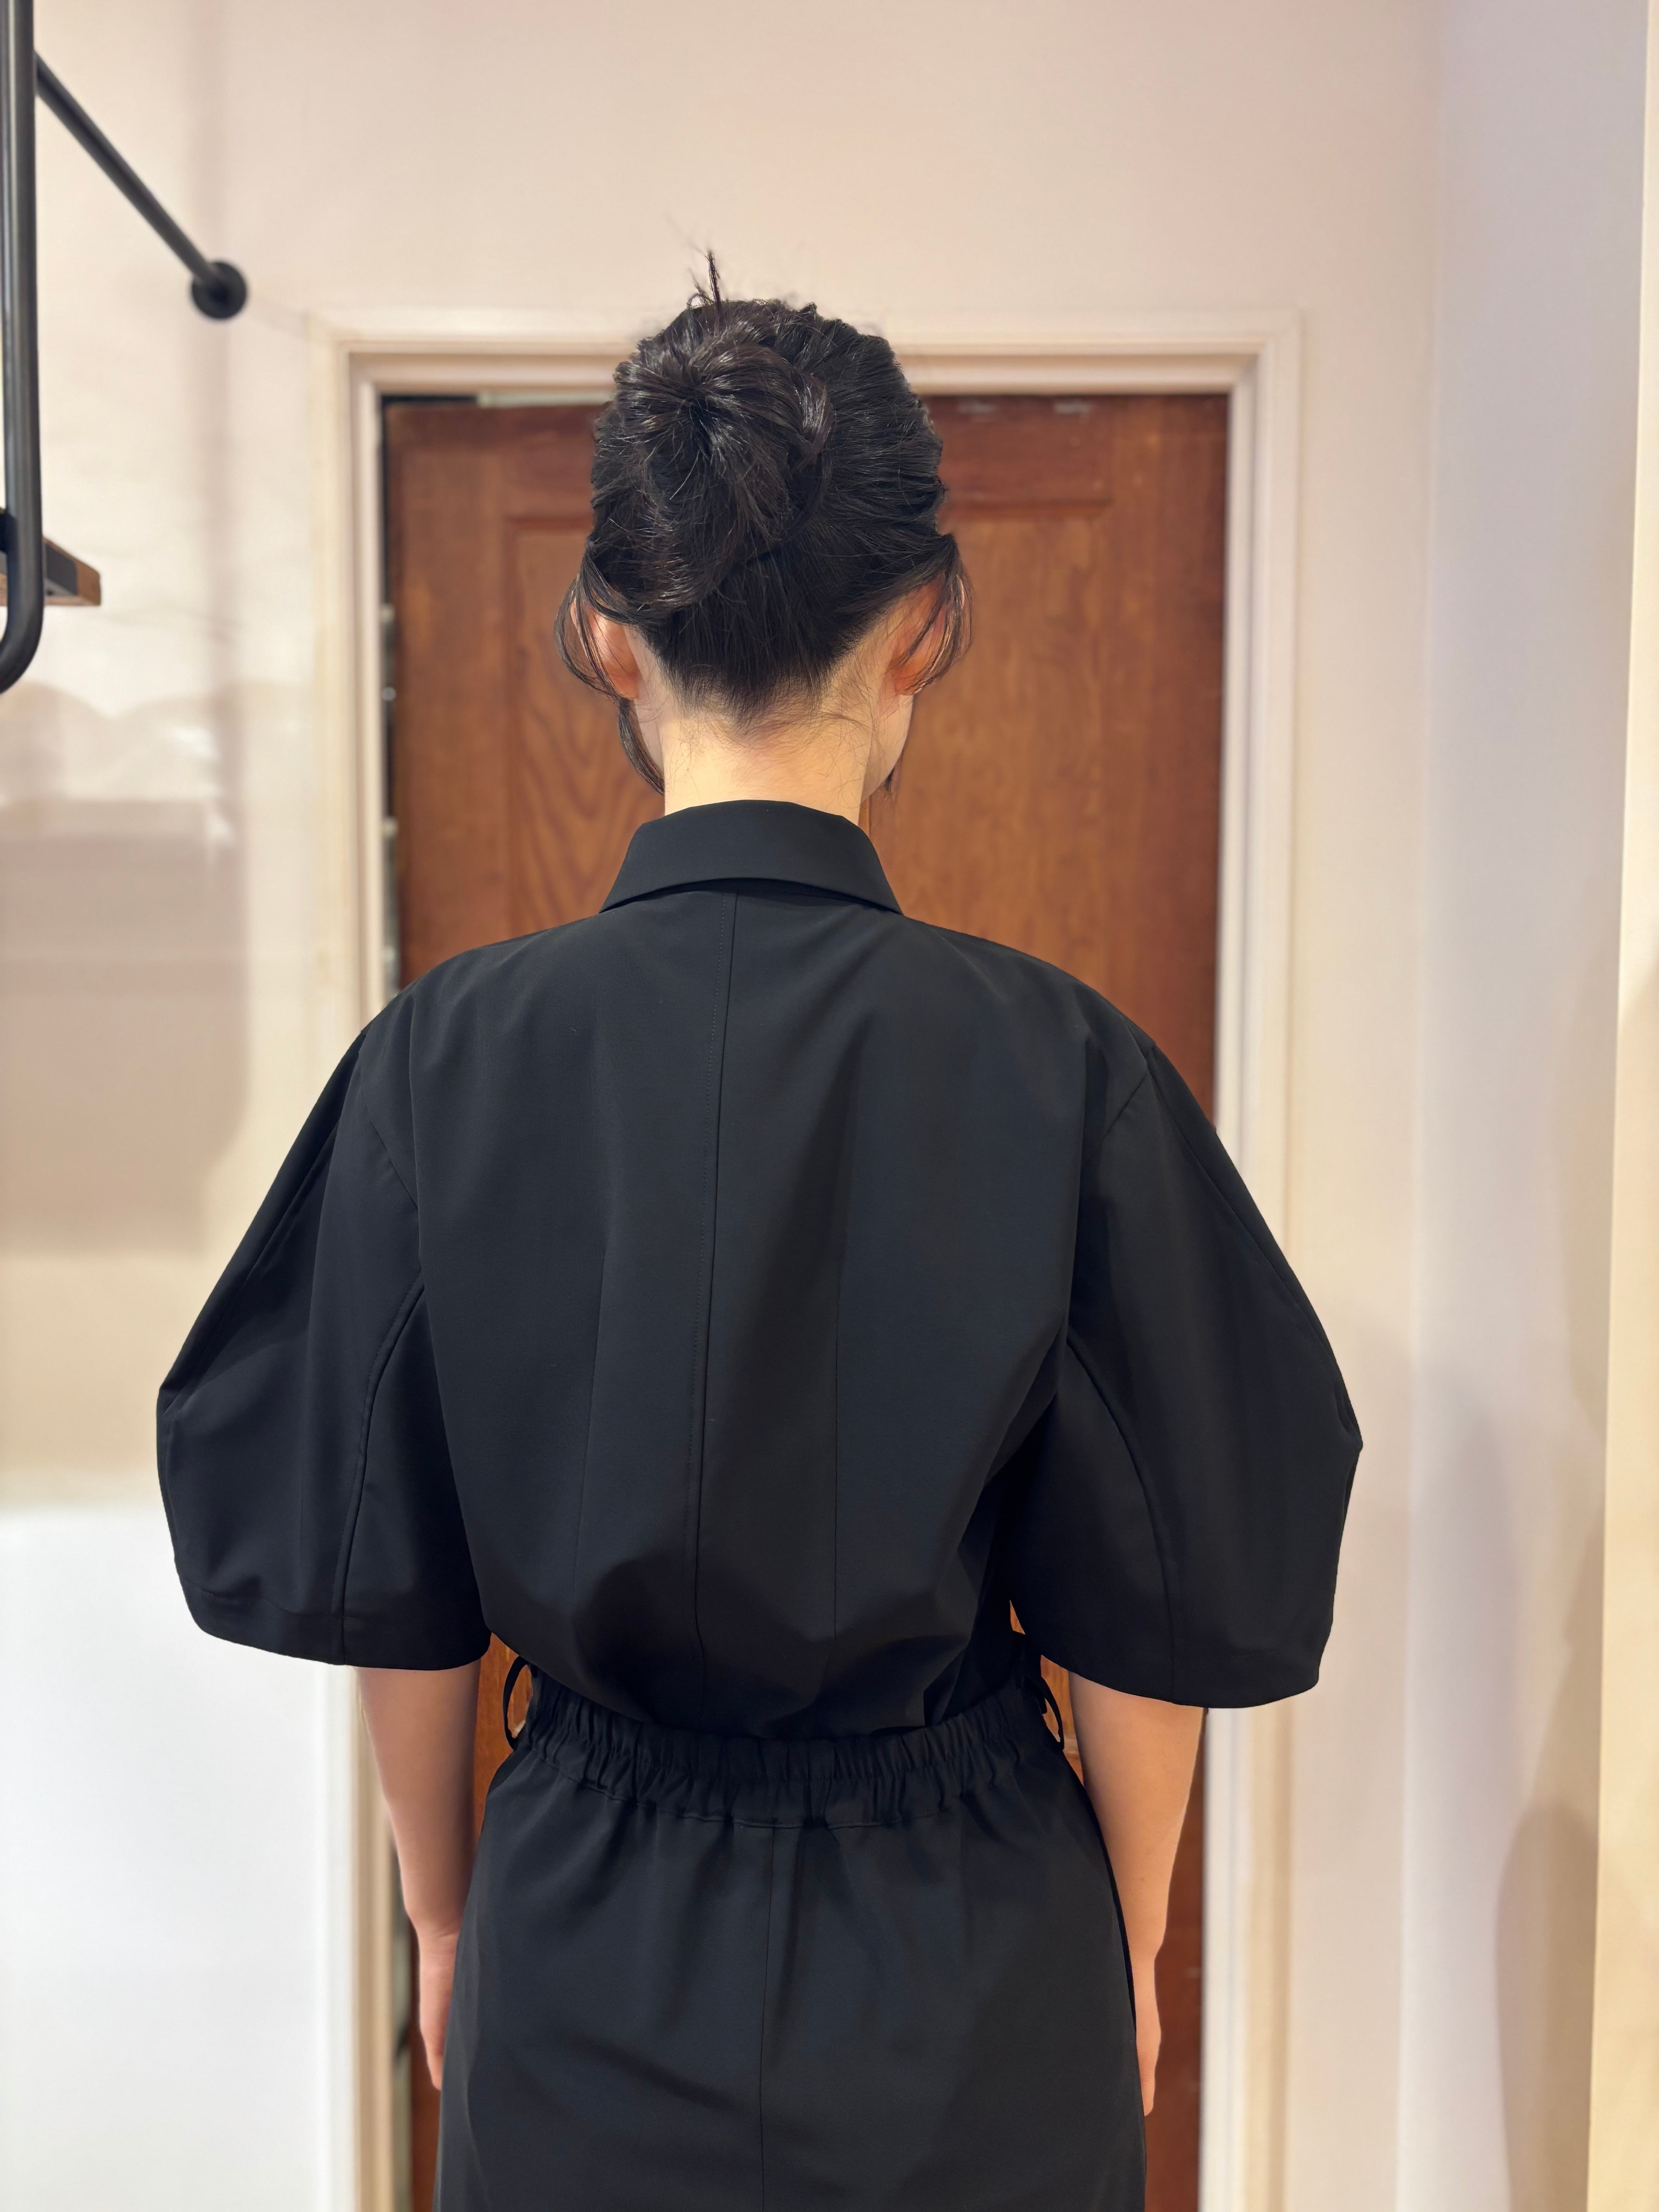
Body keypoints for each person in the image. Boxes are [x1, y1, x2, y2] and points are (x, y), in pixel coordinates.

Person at [157, 266, 1359, 2212]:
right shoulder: (1065, 1069)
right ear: (924, 626)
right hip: (976, 1968)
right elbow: (1152, 1597)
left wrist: (449, 1927)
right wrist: (1126, 1942)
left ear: (607, 636)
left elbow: (394, 1588)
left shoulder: (438, 1065)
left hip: (581, 1948)